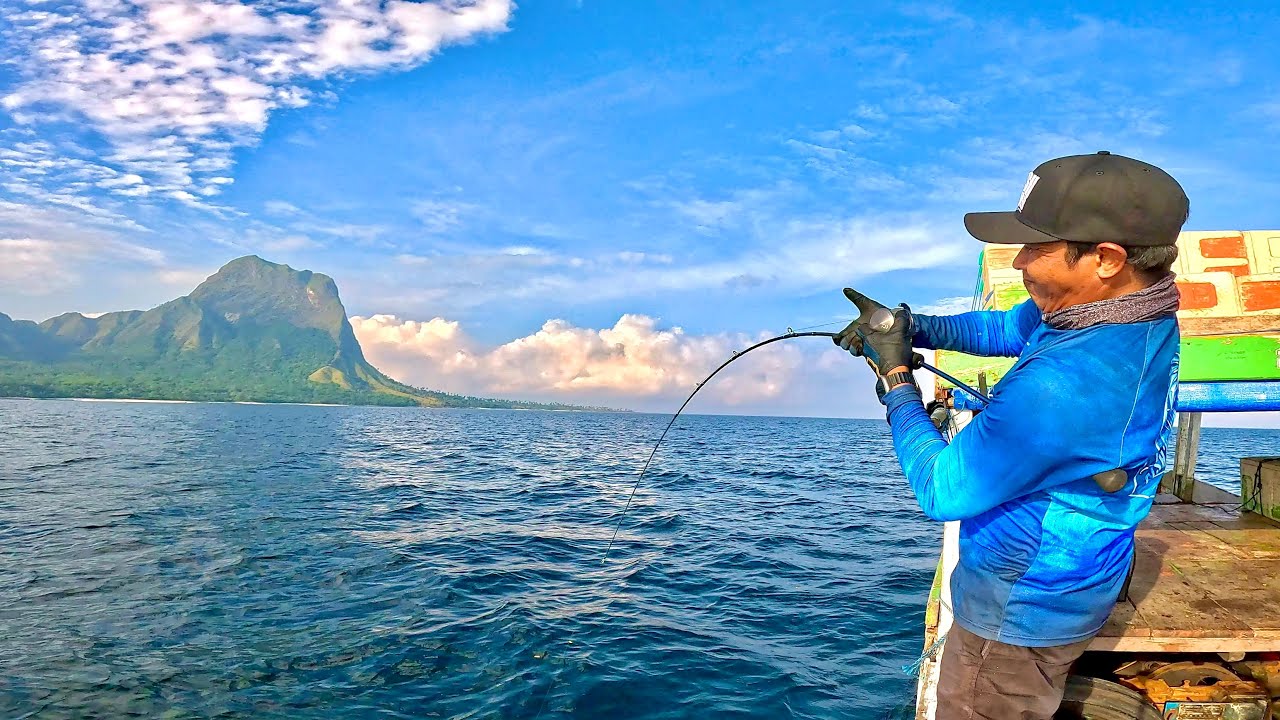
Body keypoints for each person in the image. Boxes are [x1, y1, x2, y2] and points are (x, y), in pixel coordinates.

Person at [836, 151, 1188, 719]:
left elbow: (944, 489)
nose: (1020, 260)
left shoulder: (1065, 388)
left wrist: (897, 380)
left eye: (1037, 247)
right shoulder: (1127, 311)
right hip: (1081, 573)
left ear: (1106, 258)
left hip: (1018, 612)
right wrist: (909, 327)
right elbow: (1005, 325)